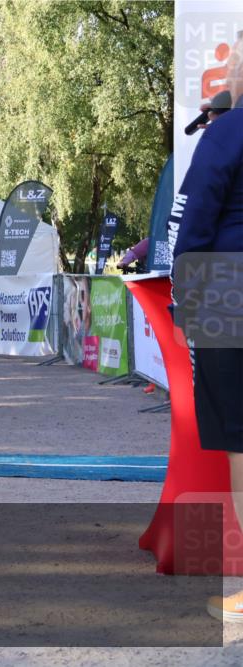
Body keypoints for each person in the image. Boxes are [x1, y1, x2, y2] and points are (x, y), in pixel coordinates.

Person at [170, 36, 243, 623]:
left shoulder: (225, 134)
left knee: (242, 441)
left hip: (229, 293)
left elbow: (194, 224)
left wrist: (184, 300)